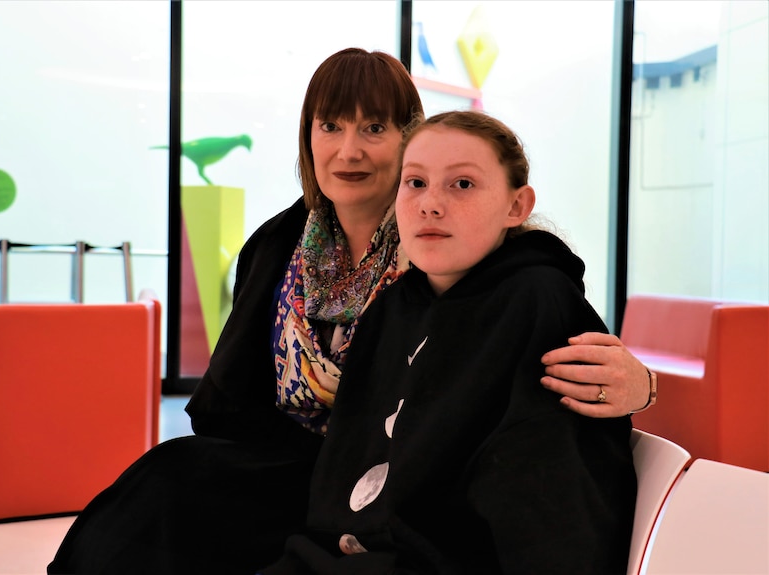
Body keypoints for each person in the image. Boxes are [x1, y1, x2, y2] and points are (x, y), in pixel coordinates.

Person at [49, 48, 650, 575]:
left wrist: (644, 384)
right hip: (294, 462)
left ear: (411, 137)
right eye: (330, 125)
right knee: (169, 482)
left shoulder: (446, 244)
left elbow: (541, 338)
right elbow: (233, 397)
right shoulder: (279, 244)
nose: (349, 150)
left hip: (404, 473)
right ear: (308, 138)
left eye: (375, 127)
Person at [260, 110, 636, 574]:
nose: (430, 204)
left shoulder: (537, 302)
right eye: (415, 183)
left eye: (462, 185)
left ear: (516, 207)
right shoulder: (394, 306)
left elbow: (552, 502)